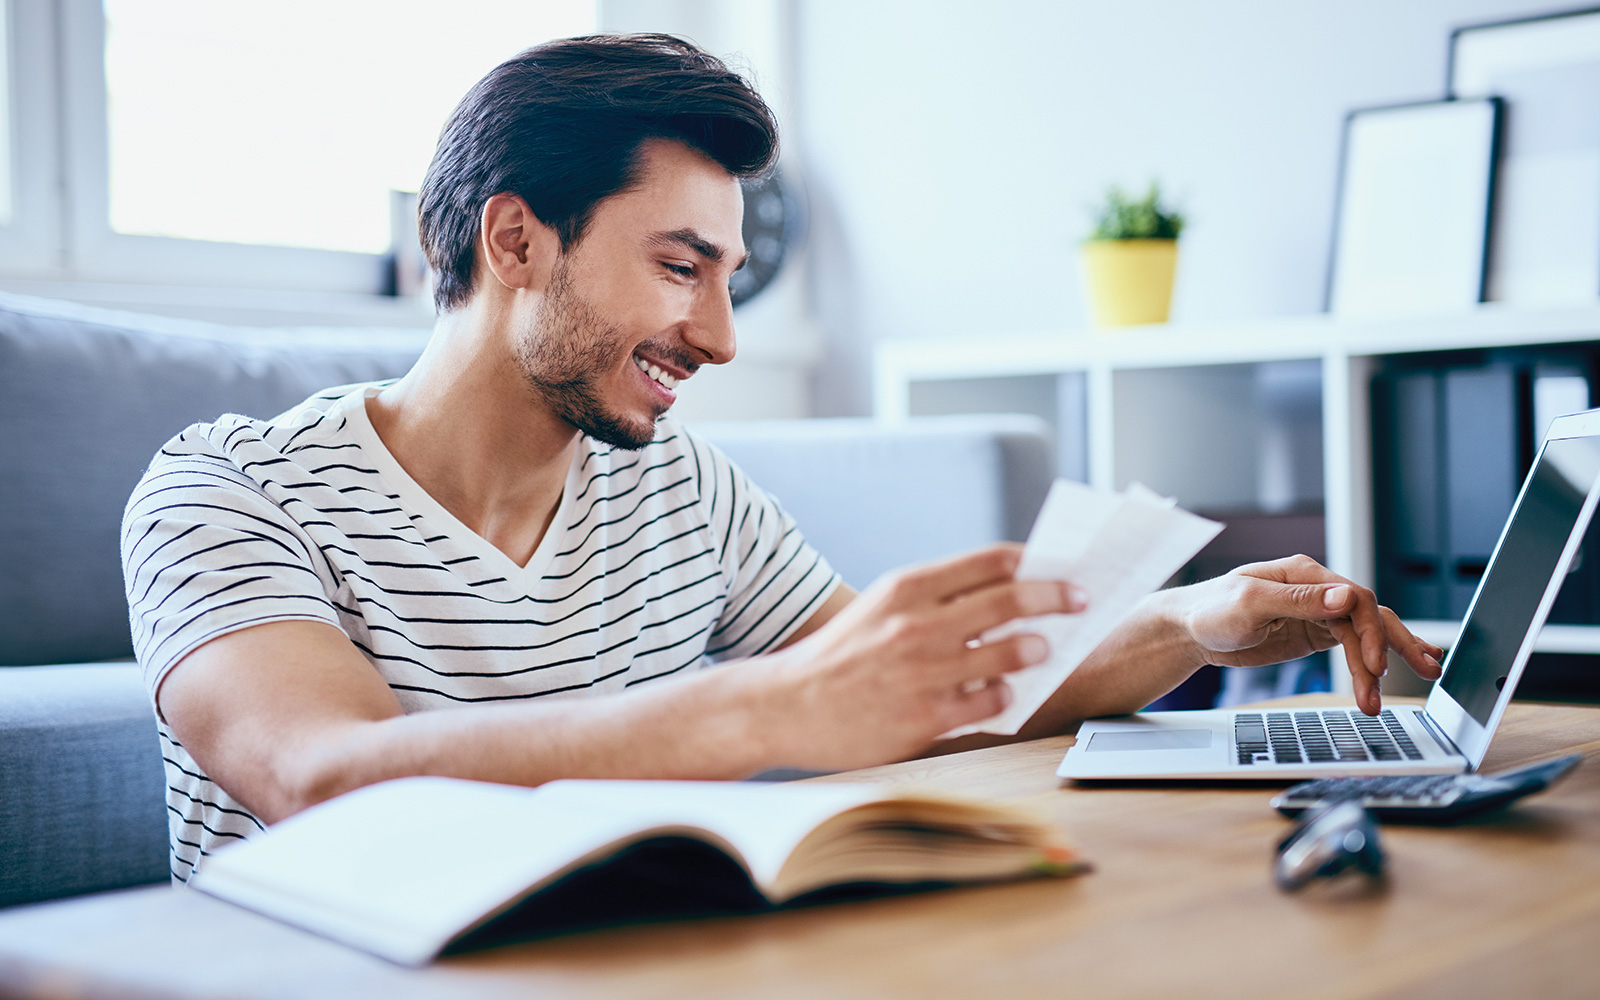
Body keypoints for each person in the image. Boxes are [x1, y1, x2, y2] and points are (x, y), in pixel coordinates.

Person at [121, 33, 1442, 882]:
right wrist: (767, 708)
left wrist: (1193, 624)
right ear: (514, 241)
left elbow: (926, 693)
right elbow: (312, 776)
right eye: (680, 267)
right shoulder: (228, 487)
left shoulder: (681, 487)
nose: (721, 336)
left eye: (731, 277)